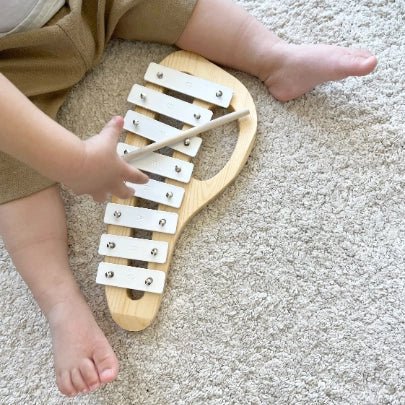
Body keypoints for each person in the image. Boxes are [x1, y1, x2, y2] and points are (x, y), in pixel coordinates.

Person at [0, 0, 377, 397]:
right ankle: (61, 304)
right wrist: (74, 163)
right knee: (11, 169)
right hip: (13, 67)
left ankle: (272, 57)